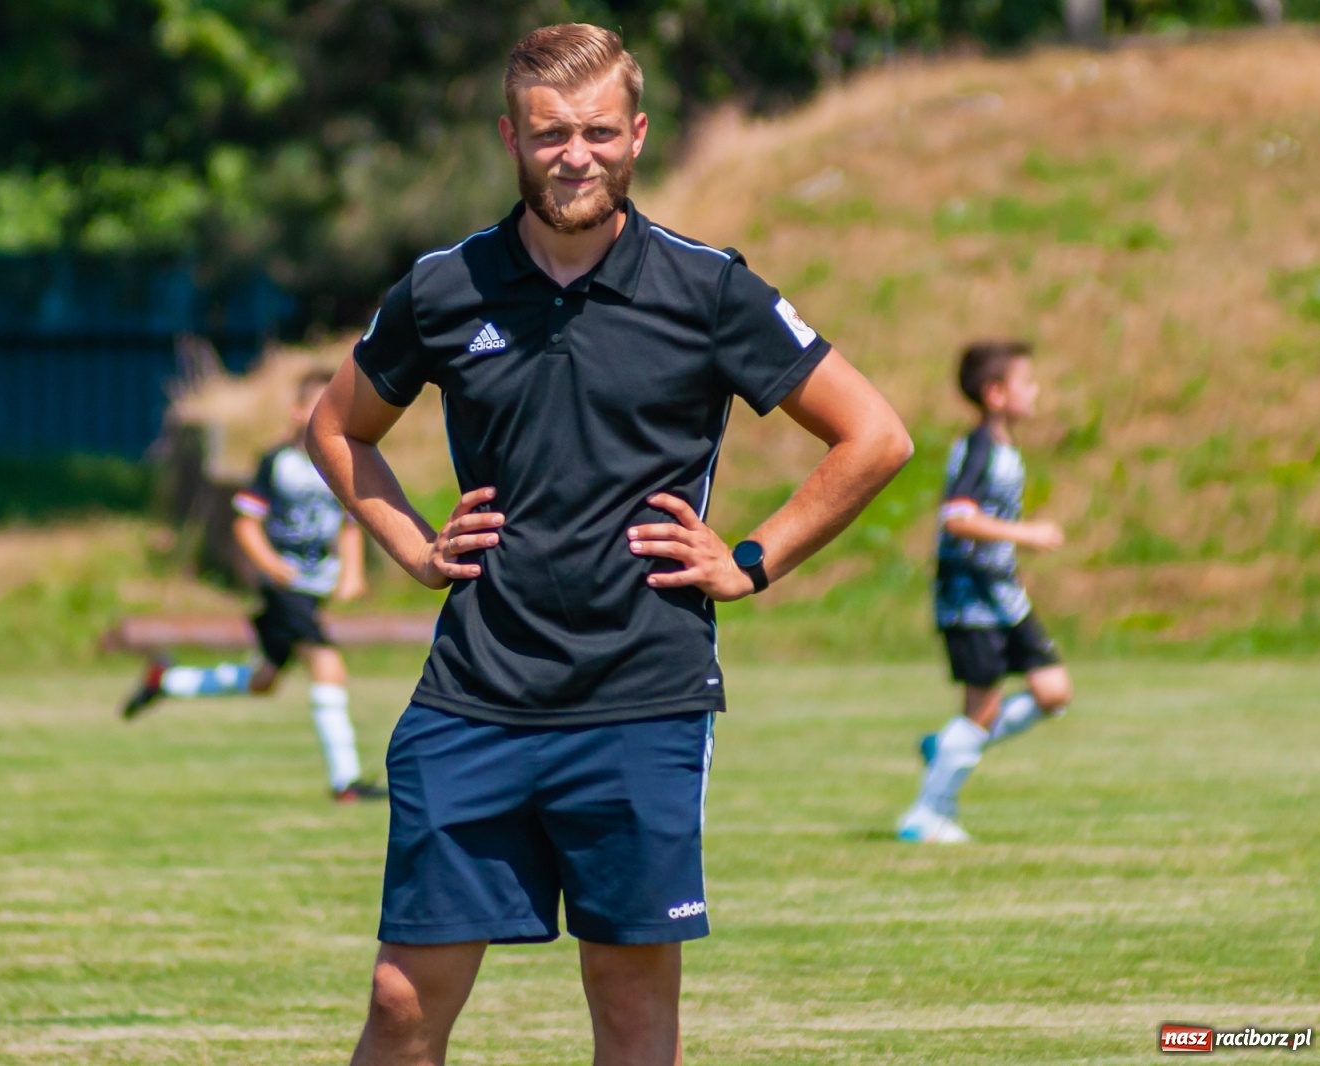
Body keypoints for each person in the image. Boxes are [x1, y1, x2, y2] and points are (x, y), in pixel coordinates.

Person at [305, 23, 914, 1064]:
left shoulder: (708, 287)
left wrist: (751, 560)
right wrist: (410, 545)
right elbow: (335, 427)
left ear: (635, 137)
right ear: (511, 138)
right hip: (472, 694)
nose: (573, 154)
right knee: (402, 1002)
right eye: (549, 135)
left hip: (642, 695)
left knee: (630, 1004)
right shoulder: (444, 288)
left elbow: (875, 435)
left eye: (595, 132)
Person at [120, 369, 388, 804]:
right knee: (327, 666)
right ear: (297, 411)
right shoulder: (276, 463)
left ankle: (168, 680)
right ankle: (346, 782)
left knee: (263, 680)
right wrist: (271, 566)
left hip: (313, 587)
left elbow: (350, 524)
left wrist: (352, 573)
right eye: (315, 405)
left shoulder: (342, 461)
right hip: (283, 589)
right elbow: (246, 526)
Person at [897, 340, 1074, 844]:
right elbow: (958, 518)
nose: (1035, 390)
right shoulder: (977, 448)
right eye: (1026, 382)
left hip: (1003, 594)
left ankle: (949, 744)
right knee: (982, 709)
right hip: (969, 596)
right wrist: (1027, 534)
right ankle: (926, 816)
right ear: (995, 394)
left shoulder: (1002, 446)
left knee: (1053, 692)